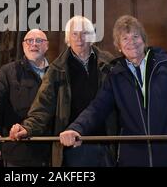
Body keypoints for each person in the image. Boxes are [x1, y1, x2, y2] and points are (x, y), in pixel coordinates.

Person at [59, 15, 167, 167]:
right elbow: (97, 107)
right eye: (125, 38)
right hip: (132, 157)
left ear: (144, 40)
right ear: (118, 46)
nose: (132, 42)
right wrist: (76, 128)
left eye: (136, 36)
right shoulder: (115, 74)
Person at [9, 16, 117, 167]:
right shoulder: (57, 68)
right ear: (68, 38)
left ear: (92, 37)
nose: (79, 38)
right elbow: (43, 105)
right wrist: (27, 127)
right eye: (74, 34)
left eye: (84, 33)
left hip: (108, 143)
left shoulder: (109, 63)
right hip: (74, 146)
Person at [0, 29, 51, 167]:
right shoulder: (8, 71)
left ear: (46, 46)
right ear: (23, 46)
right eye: (29, 41)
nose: (33, 44)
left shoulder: (56, 73)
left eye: (39, 41)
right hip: (17, 153)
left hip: (51, 153)